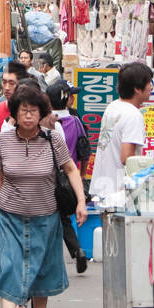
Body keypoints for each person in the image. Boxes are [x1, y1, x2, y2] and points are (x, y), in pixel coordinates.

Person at [0, 83, 87, 308]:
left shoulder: (53, 139)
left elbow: (71, 169)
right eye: (23, 111)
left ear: (41, 113)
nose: (28, 116)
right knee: (10, 265)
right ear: (15, 113)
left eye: (33, 111)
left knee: (44, 269)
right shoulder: (4, 139)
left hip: (46, 216)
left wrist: (81, 202)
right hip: (10, 215)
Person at [89, 62, 153, 199]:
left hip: (103, 187)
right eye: (149, 83)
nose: (151, 87)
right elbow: (127, 159)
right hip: (118, 193)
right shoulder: (133, 115)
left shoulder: (113, 106)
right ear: (137, 88)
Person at [45, 82, 89, 275]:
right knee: (63, 216)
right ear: (67, 99)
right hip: (67, 178)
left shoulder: (46, 123)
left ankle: (61, 254)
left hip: (48, 177)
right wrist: (82, 174)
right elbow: (84, 150)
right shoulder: (75, 121)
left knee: (55, 217)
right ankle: (76, 249)